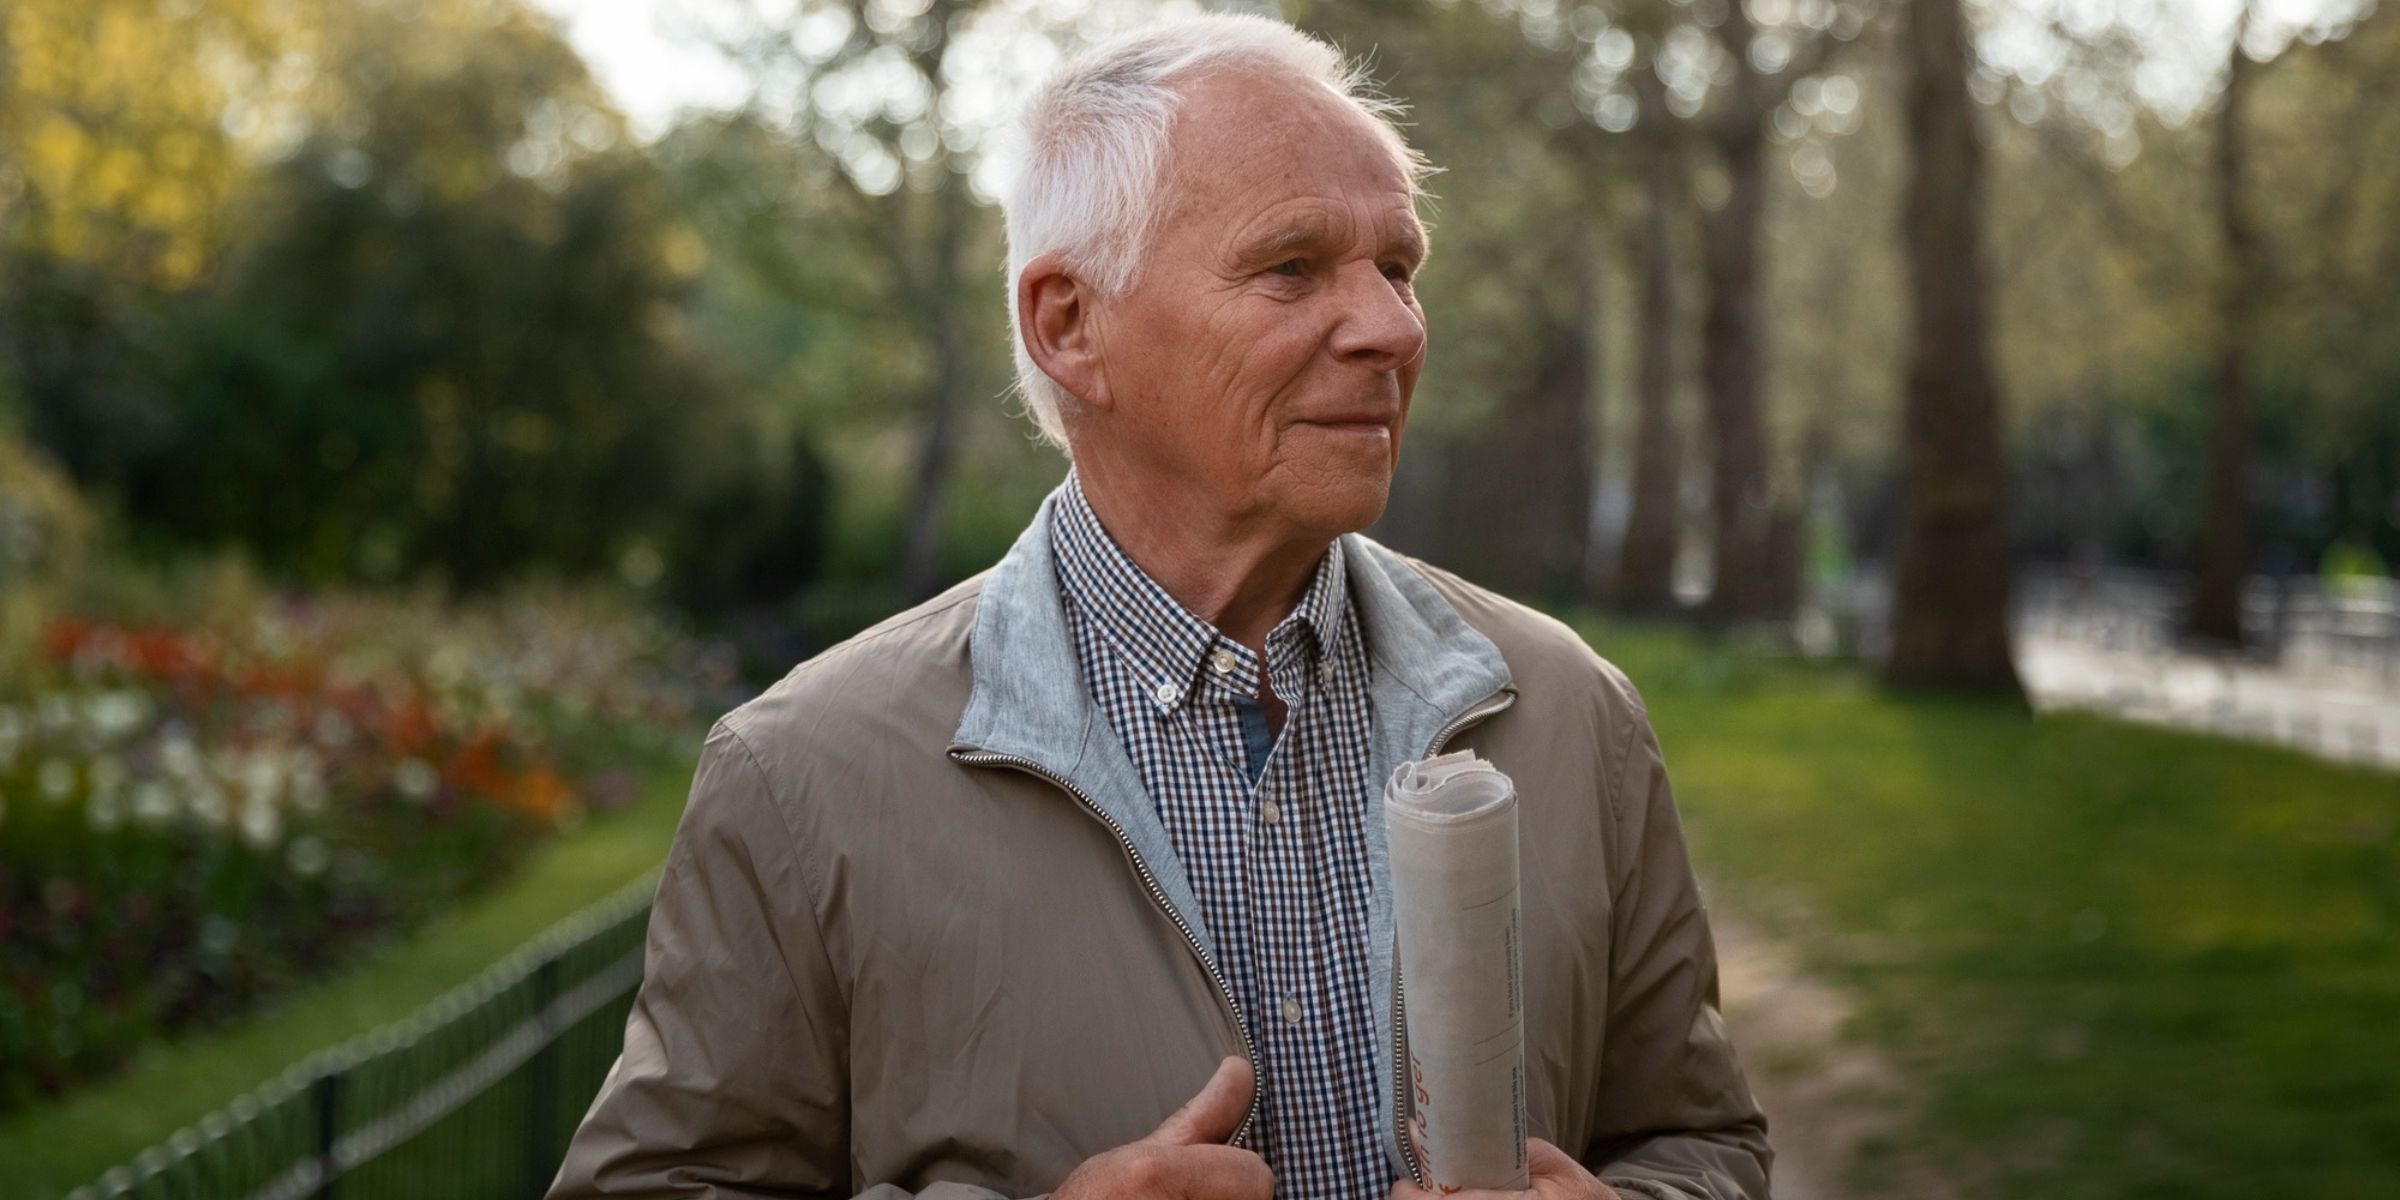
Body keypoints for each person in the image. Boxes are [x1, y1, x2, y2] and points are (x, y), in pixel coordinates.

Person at [549, 14, 1770, 1200]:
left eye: (1398, 267)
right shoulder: (799, 777)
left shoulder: (1574, 711)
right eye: (1293, 268)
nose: (1393, 328)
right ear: (1071, 327)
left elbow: (1697, 1141)